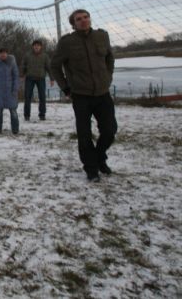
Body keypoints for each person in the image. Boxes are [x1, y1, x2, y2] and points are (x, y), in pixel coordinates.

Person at [50, 9, 117, 182]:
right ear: (74, 24)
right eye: (79, 19)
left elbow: (110, 58)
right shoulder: (67, 43)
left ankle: (100, 157)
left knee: (110, 130)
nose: (83, 21)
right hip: (81, 95)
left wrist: (108, 77)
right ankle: (91, 169)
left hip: (102, 93)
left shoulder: (102, 36)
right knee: (84, 134)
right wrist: (66, 88)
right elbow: (54, 66)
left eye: (86, 17)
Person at [20, 39, 54, 121]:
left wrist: (52, 79)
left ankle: (42, 115)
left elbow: (49, 68)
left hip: (41, 78)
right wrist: (22, 75)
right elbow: (23, 65)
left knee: (42, 97)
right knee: (27, 97)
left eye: (38, 45)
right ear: (32, 46)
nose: (36, 47)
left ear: (41, 47)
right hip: (29, 78)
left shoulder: (45, 56)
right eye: (35, 45)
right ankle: (26, 115)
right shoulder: (27, 55)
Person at [0, 48, 20, 134]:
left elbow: (16, 77)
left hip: (11, 92)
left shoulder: (12, 63)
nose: (3, 55)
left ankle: (15, 129)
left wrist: (15, 89)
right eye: (1, 53)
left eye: (4, 53)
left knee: (13, 111)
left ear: (7, 54)